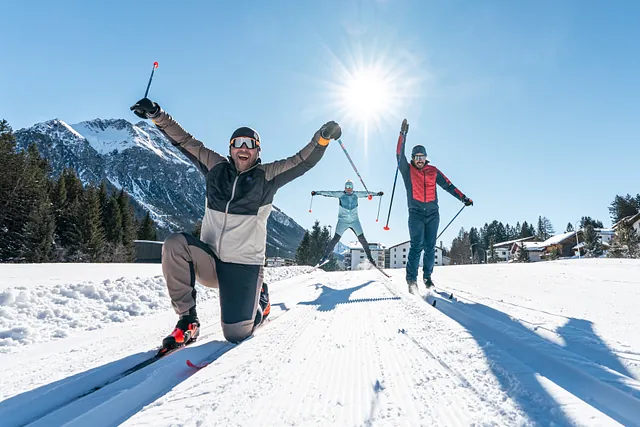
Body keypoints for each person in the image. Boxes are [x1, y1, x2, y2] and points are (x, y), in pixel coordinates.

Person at [130, 97, 342, 352]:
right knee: (174, 243)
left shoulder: (268, 176)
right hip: (210, 261)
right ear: (230, 149)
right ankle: (187, 320)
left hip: (243, 267)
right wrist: (157, 114)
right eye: (238, 144)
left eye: (250, 145)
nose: (244, 148)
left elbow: (302, 161)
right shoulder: (215, 166)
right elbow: (184, 141)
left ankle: (260, 300)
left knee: (235, 334)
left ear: (257, 151)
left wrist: (321, 139)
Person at [396, 120, 473, 292]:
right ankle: (411, 280)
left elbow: (448, 185)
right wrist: (403, 134)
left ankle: (428, 278)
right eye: (417, 158)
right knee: (417, 245)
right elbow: (399, 155)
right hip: (415, 213)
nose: (420, 161)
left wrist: (463, 198)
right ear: (413, 159)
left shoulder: (433, 171)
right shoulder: (407, 171)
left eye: (422, 158)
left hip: (432, 214)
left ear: (426, 158)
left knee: (430, 247)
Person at [312, 180, 383, 267]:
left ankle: (370, 258)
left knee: (362, 240)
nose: (348, 188)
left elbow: (367, 193)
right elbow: (329, 193)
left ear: (352, 187)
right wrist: (317, 193)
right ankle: (324, 257)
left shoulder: (356, 194)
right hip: (343, 221)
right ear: (345, 187)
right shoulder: (341, 194)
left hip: (355, 221)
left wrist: (377, 194)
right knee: (335, 239)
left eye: (350, 186)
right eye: (347, 186)